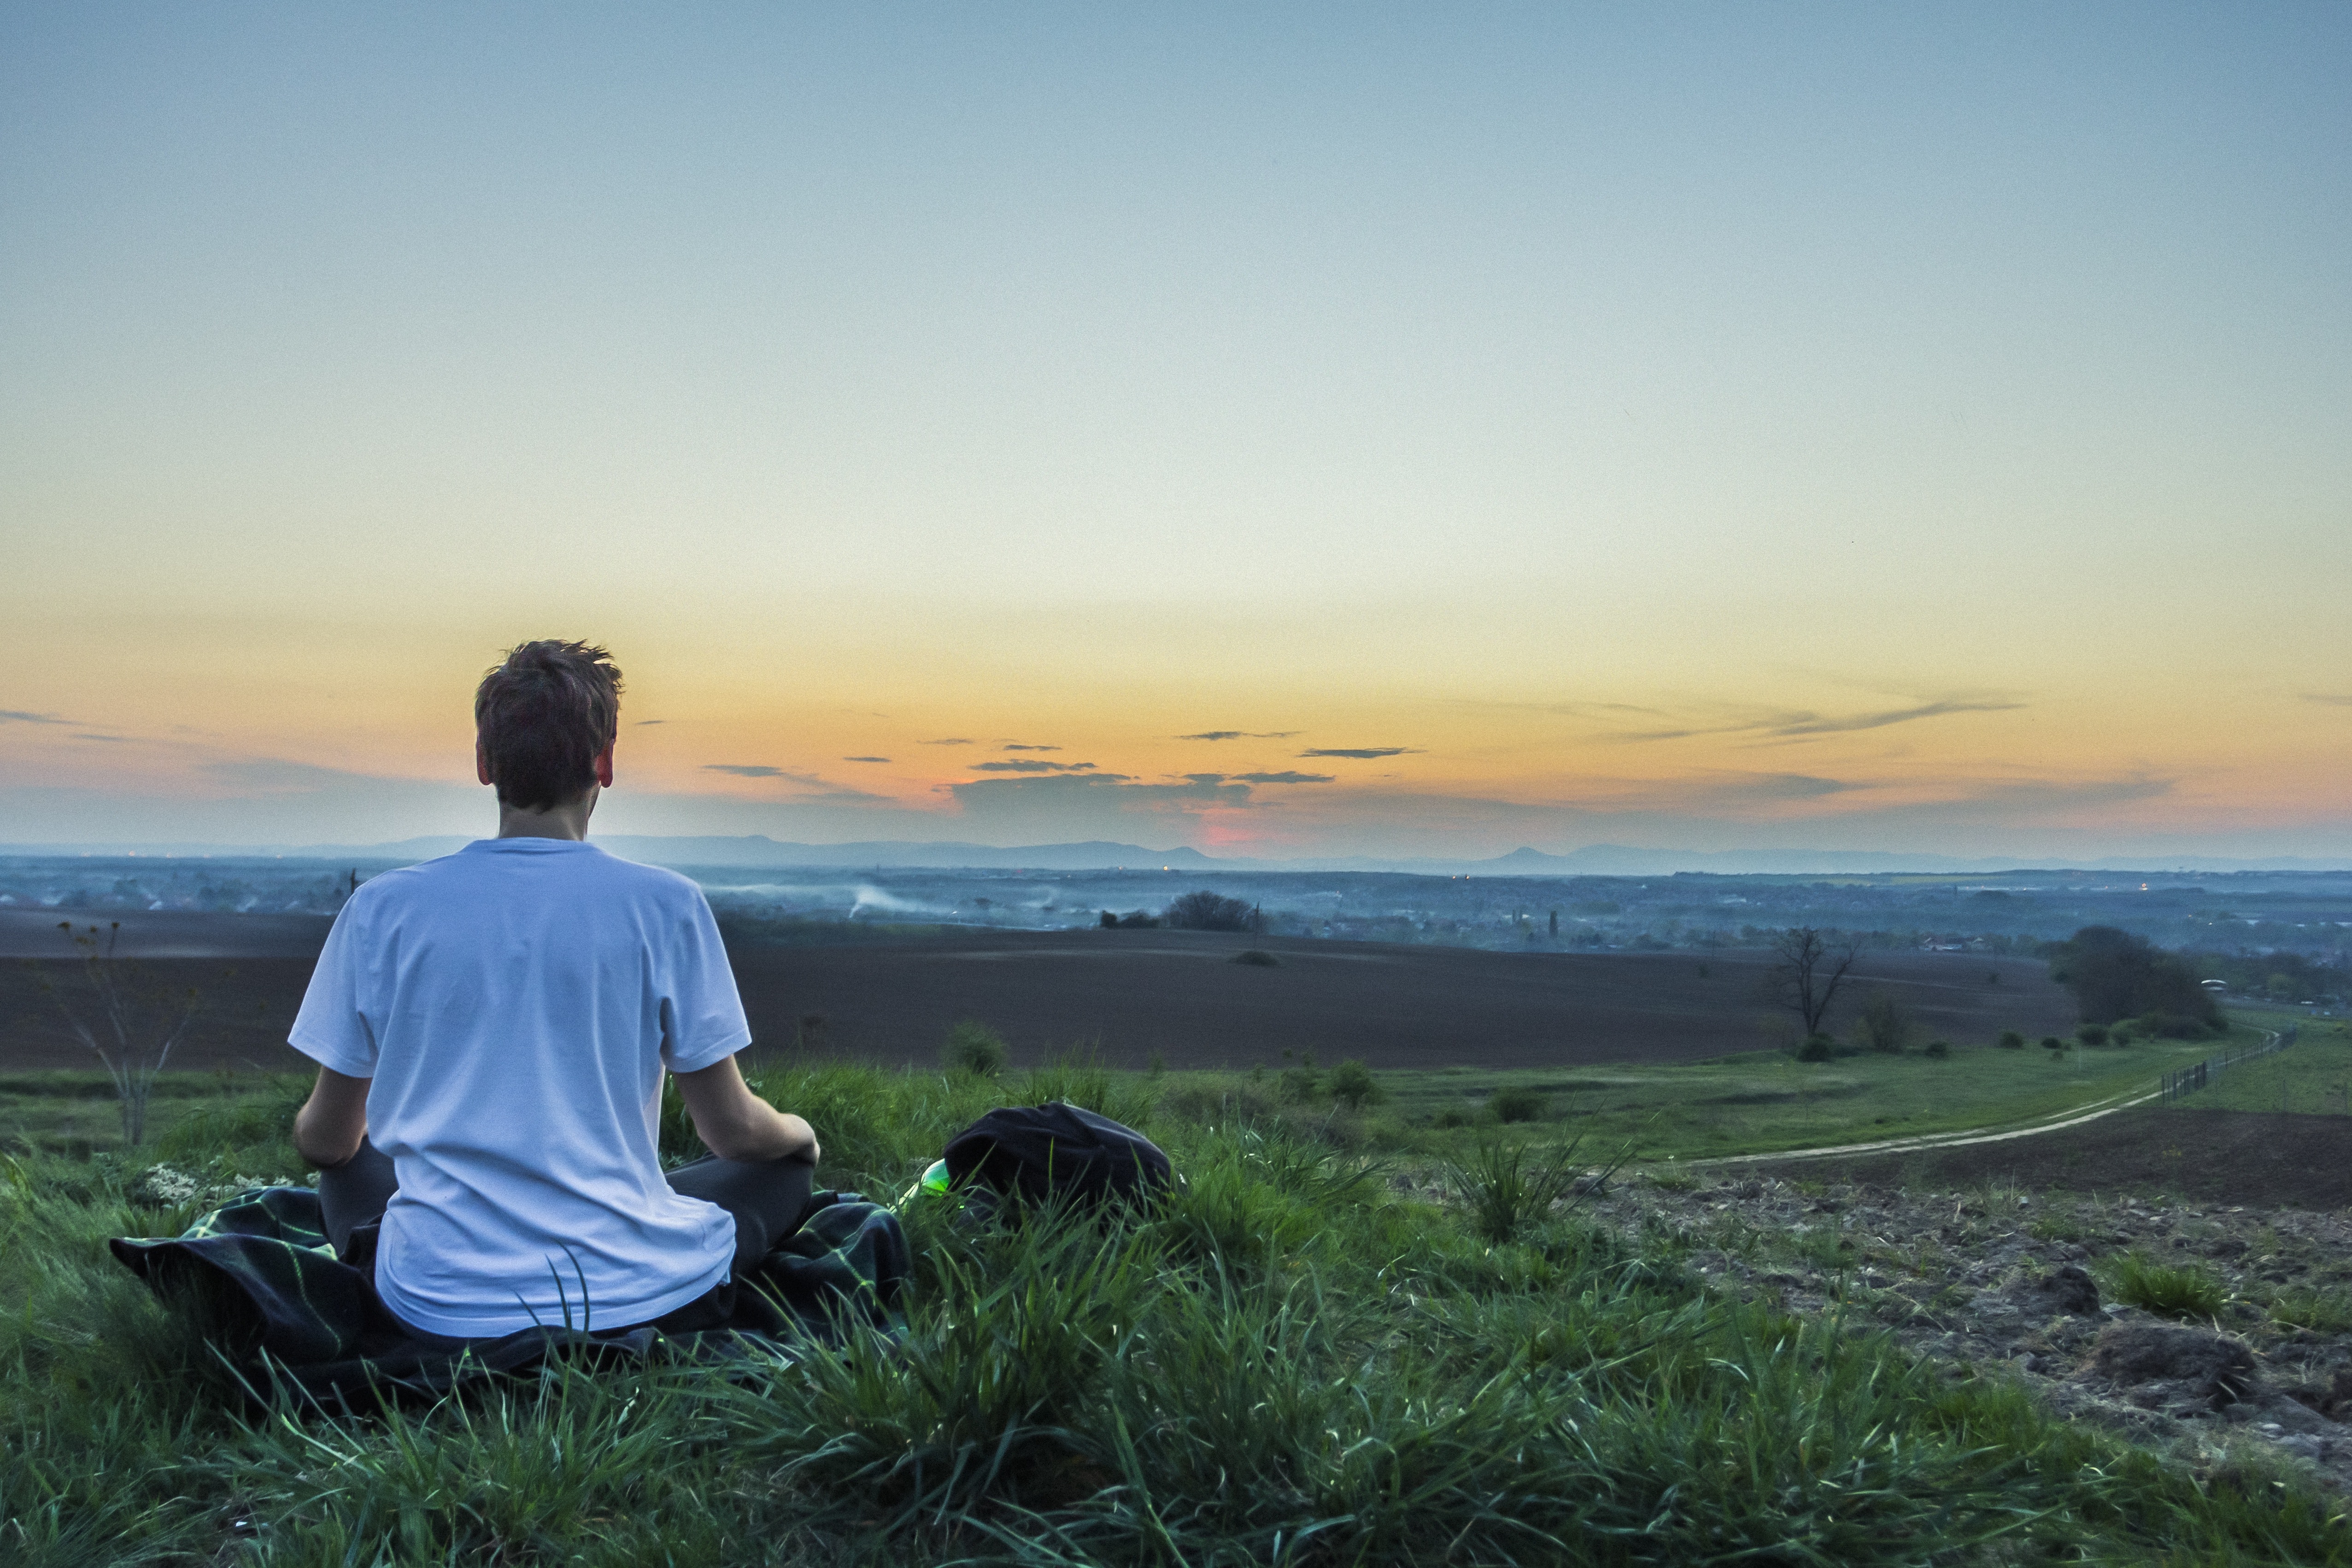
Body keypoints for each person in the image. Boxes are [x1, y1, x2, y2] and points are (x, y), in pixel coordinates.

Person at [287, 640, 819, 1345]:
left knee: (349, 1164)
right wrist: (800, 1137)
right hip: (632, 1293)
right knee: (778, 1172)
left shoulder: (382, 910)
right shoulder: (666, 905)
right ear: (604, 763)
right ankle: (638, 1223)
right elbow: (733, 1133)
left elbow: (325, 1141)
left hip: (436, 1302)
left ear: (484, 764)